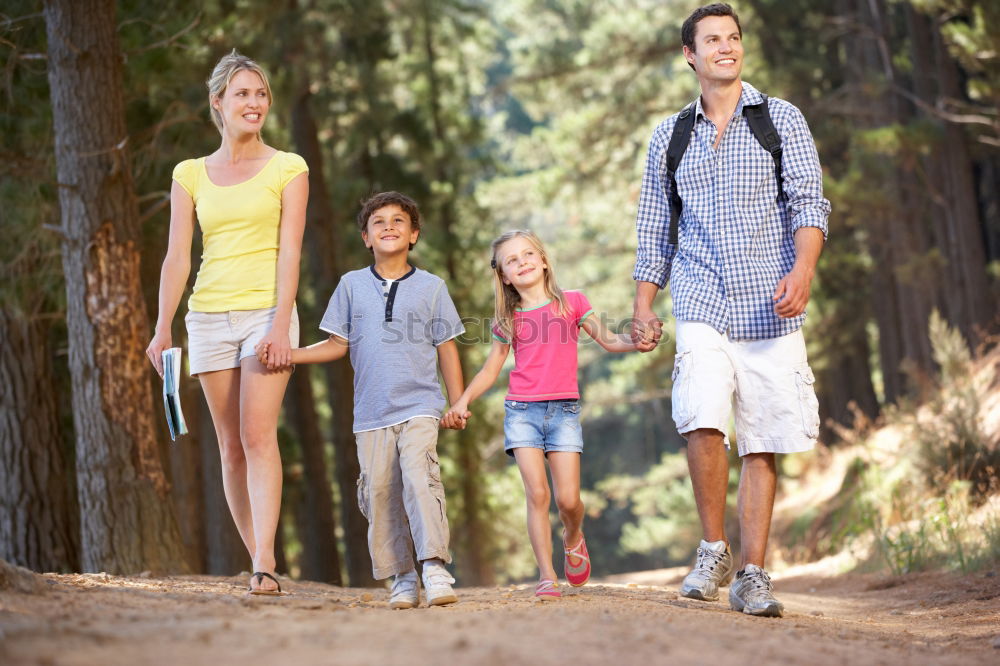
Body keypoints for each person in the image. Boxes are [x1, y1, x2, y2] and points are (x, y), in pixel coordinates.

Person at [631, 3, 830, 617]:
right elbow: (654, 229)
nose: (725, 47)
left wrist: (802, 271)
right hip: (699, 298)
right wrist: (643, 305)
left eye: (733, 37)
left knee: (763, 439)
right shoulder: (671, 135)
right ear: (689, 55)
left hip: (771, 303)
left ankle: (752, 573)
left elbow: (809, 205)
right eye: (712, 39)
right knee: (702, 415)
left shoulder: (781, 120)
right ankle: (713, 548)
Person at [145, 50, 309, 596]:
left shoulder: (289, 167)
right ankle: (256, 556)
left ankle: (264, 562)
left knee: (259, 434)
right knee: (231, 446)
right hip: (208, 317)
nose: (254, 103)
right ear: (218, 103)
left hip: (267, 312)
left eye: (261, 94)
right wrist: (163, 326)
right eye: (243, 94)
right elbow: (177, 257)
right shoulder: (189, 173)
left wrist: (281, 325)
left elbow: (291, 253)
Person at [259, 191, 465, 609]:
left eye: (398, 221)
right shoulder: (351, 285)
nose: (389, 226)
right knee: (379, 491)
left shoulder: (432, 287)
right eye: (378, 222)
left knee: (418, 476)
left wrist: (456, 402)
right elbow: (337, 344)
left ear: (414, 234)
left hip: (420, 404)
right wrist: (291, 353)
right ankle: (401, 577)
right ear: (366, 238)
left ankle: (434, 566)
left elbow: (446, 346)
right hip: (370, 413)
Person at [443, 230, 652, 600]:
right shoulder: (508, 319)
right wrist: (461, 402)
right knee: (537, 494)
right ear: (504, 276)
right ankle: (546, 575)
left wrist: (638, 341)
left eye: (528, 255)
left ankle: (573, 537)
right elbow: (491, 370)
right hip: (521, 412)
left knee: (568, 501)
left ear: (542, 261)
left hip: (563, 412)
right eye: (512, 260)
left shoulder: (572, 302)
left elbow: (608, 340)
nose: (522, 262)